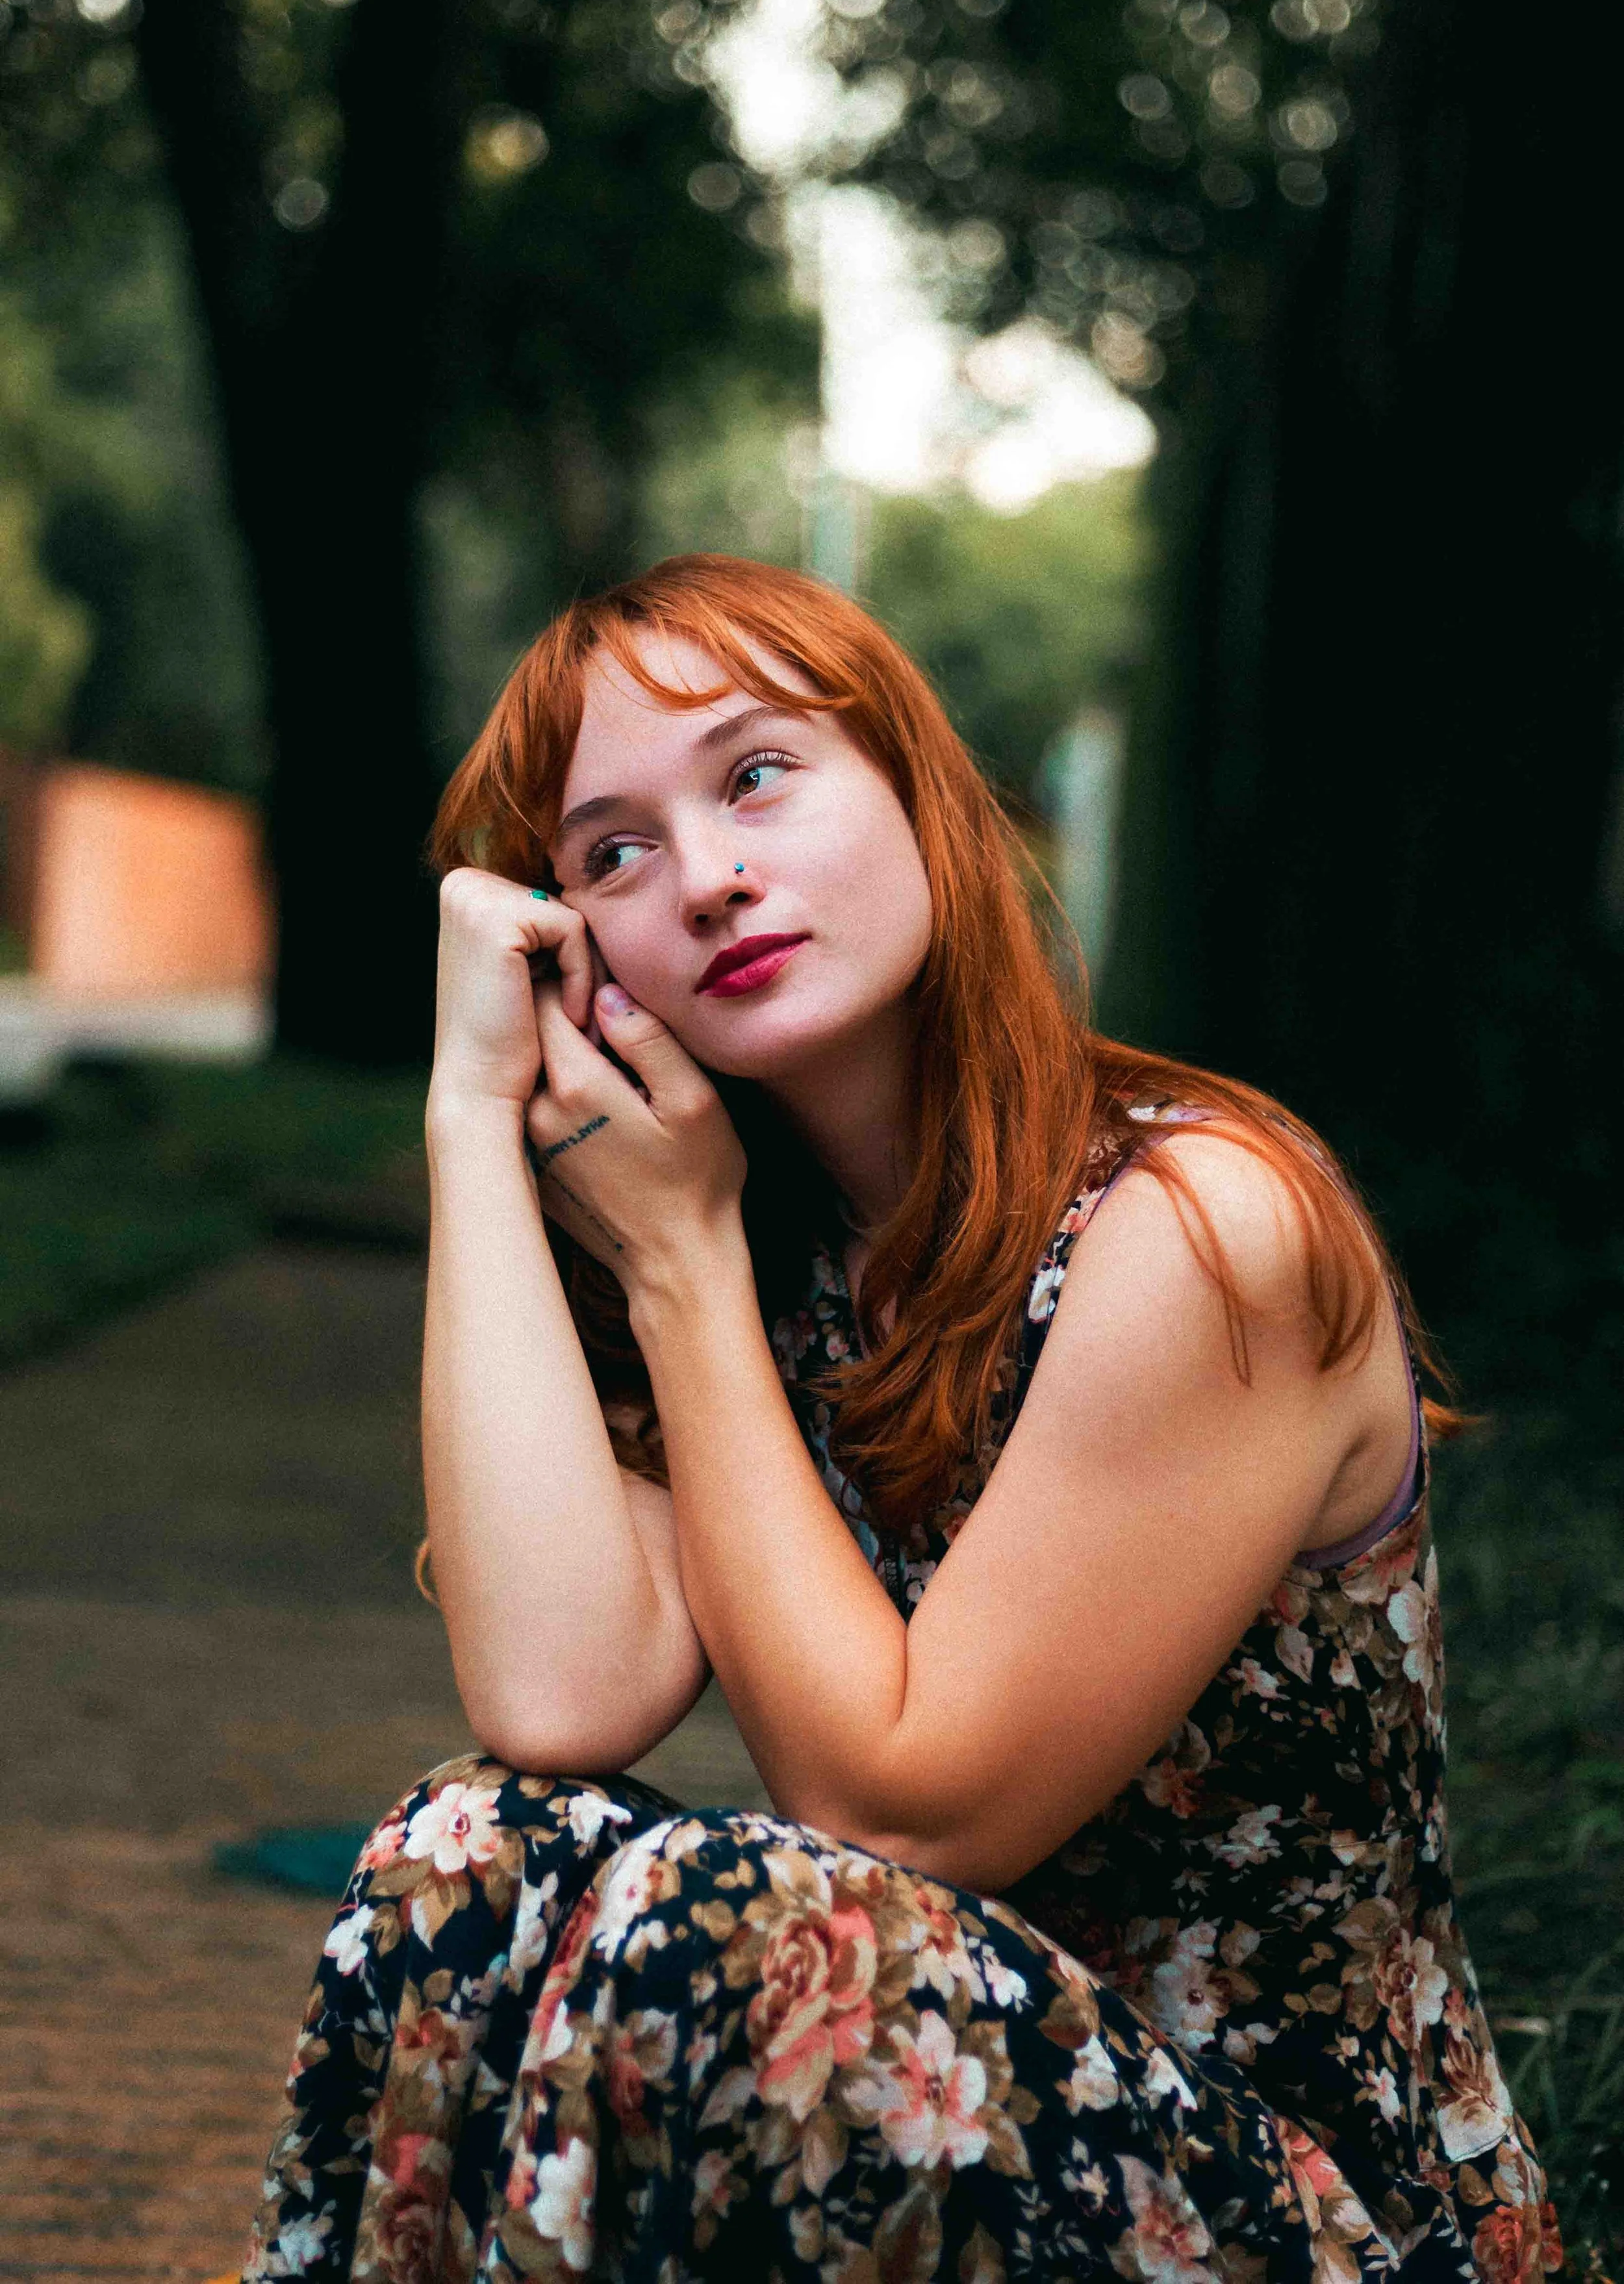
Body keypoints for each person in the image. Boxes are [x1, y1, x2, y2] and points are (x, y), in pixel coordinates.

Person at [243, 554, 1560, 2284]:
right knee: (472, 1852)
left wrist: (683, 1264)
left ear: (917, 790)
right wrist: (470, 1110)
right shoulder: (744, 1232)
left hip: (1303, 2207)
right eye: (614, 853)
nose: (708, 877)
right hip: (932, 2119)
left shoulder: (1197, 1227)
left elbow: (908, 1820)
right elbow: (560, 1696)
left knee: (711, 1927)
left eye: (756, 774)